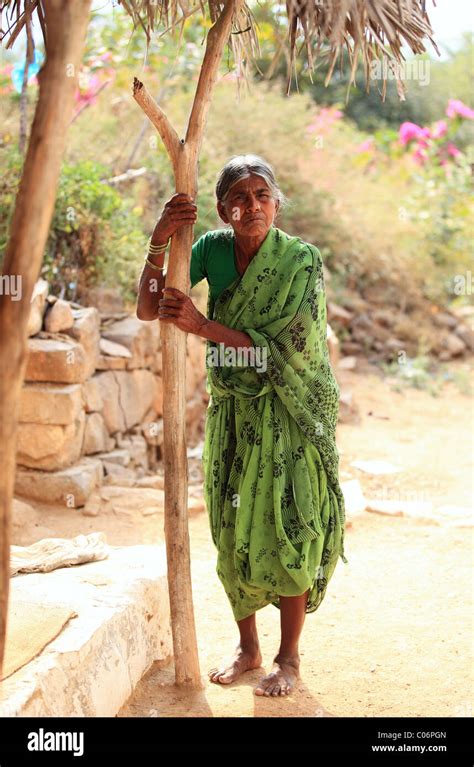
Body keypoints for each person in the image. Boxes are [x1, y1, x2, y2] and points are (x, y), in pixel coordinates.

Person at [136, 154, 347, 697]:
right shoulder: (207, 250)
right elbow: (148, 307)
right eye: (240, 197)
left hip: (290, 412)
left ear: (276, 201)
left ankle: (289, 657)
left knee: (291, 524)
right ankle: (249, 647)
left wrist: (203, 325)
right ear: (223, 209)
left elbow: (294, 345)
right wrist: (160, 239)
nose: (252, 205)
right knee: (234, 532)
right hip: (233, 412)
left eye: (262, 195)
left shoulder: (301, 261)